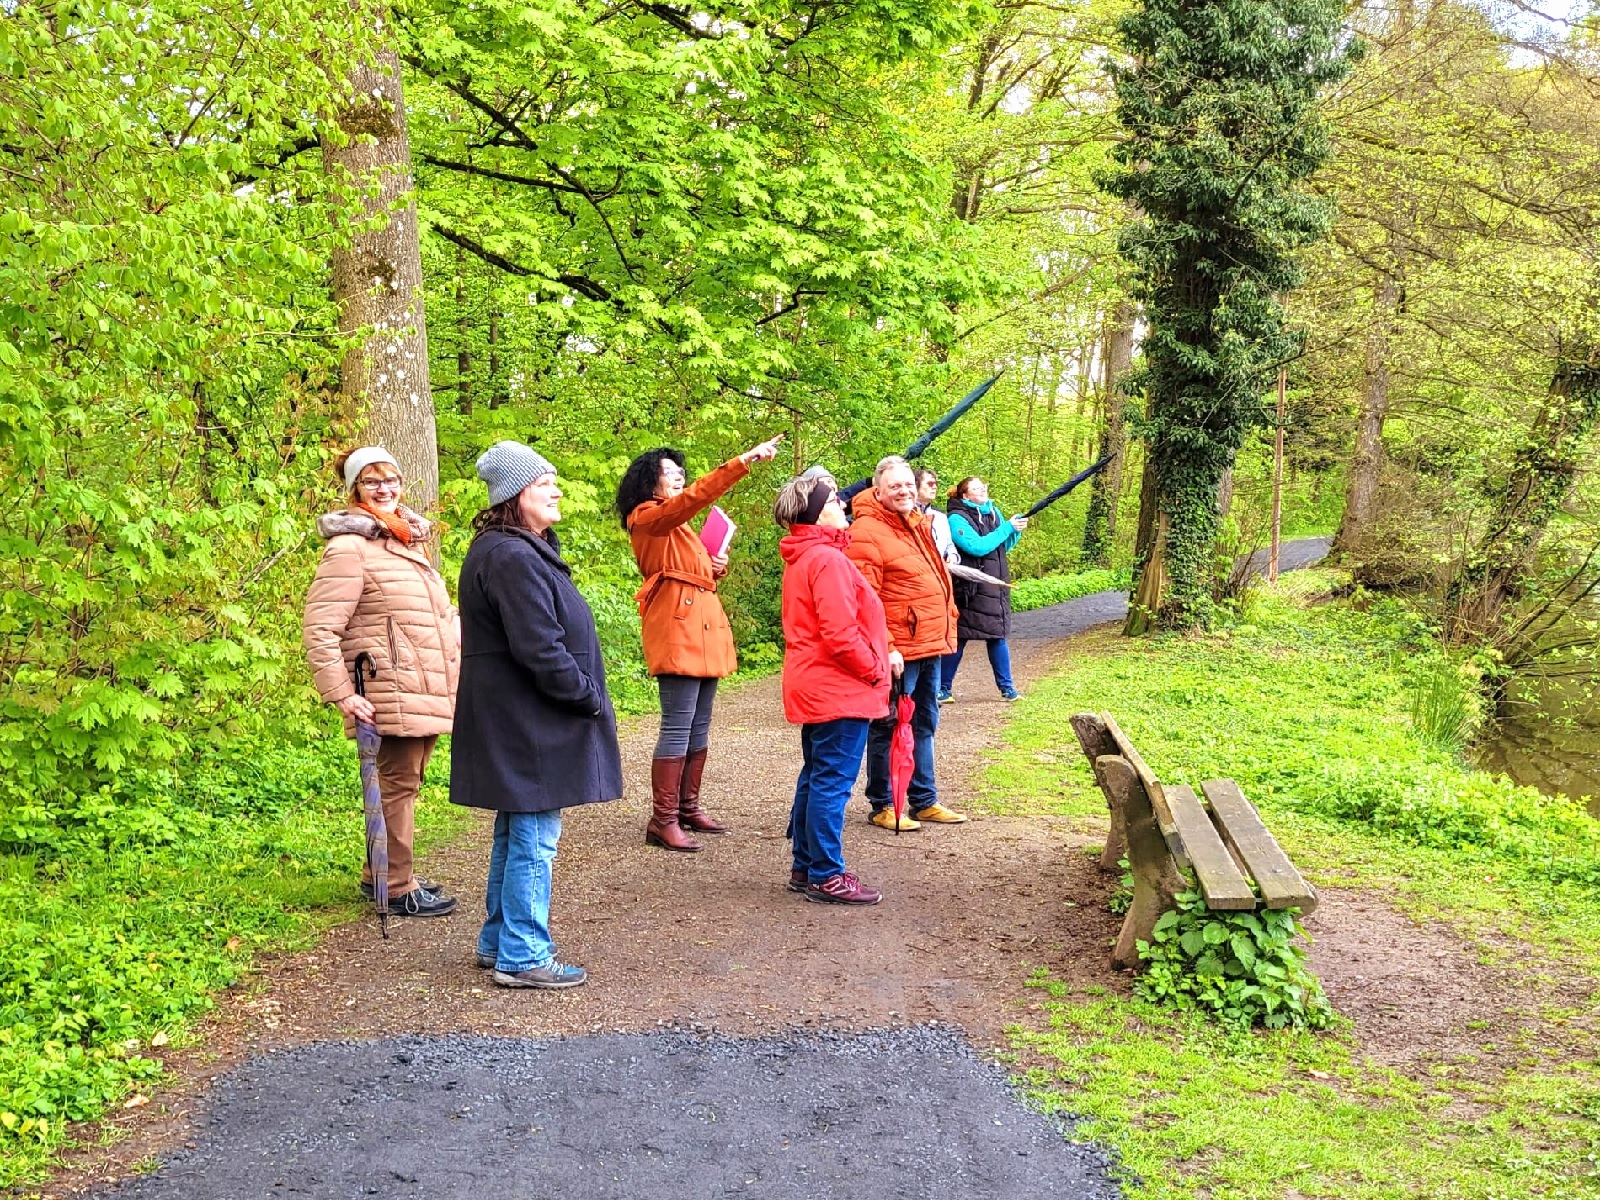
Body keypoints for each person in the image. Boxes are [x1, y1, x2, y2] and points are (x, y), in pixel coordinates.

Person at [451, 442, 624, 990]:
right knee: (533, 838)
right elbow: (541, 649)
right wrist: (587, 695)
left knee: (517, 828)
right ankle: (523, 954)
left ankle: (498, 939)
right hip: (529, 722)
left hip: (521, 719)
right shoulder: (511, 556)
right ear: (514, 494)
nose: (556, 490)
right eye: (543, 482)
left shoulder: (518, 549)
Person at [303, 446, 460, 918]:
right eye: (372, 482)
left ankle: (381, 873)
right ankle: (396, 885)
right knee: (396, 785)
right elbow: (320, 627)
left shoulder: (408, 541)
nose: (384, 488)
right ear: (356, 490)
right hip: (384, 687)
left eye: (390, 479)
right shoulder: (349, 549)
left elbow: (438, 616)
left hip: (424, 685)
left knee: (405, 782)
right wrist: (342, 694)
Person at [615, 434, 783, 852]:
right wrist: (742, 461)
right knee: (677, 724)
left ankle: (687, 807)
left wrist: (714, 566)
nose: (678, 478)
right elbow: (689, 501)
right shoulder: (647, 516)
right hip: (677, 625)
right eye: (668, 473)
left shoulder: (680, 527)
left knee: (699, 722)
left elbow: (694, 570)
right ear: (647, 484)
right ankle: (663, 819)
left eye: (680, 472)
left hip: (702, 623)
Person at [775, 471, 891, 905]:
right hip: (837, 687)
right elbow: (841, 634)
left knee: (816, 776)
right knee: (831, 782)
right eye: (832, 501)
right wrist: (875, 670)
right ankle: (826, 874)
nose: (841, 504)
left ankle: (806, 867)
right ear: (816, 513)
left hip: (820, 684)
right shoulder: (826, 560)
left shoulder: (807, 556)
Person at [845, 455, 967, 831]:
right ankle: (884, 803)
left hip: (929, 641)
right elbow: (866, 597)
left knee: (925, 722)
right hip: (900, 648)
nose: (904, 491)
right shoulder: (866, 530)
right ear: (877, 490)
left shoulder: (916, 522)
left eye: (908, 485)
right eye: (895, 486)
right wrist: (888, 645)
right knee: (889, 723)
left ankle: (924, 799)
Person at [940, 477, 1028, 703]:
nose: (983, 490)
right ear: (965, 496)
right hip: (970, 587)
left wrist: (1014, 531)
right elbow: (977, 547)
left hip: (996, 584)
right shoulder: (956, 518)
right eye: (976, 488)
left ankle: (1008, 689)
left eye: (984, 487)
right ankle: (943, 688)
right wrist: (1007, 527)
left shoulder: (993, 512)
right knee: (961, 637)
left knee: (997, 636)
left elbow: (1000, 548)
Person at [913, 467, 960, 566]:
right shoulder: (904, 514)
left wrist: (953, 555)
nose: (934, 487)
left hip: (939, 574)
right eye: (930, 484)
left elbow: (949, 546)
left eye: (936, 484)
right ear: (915, 486)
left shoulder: (940, 517)